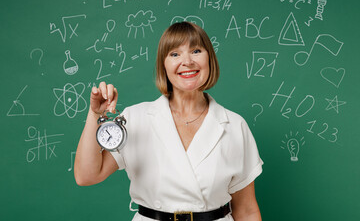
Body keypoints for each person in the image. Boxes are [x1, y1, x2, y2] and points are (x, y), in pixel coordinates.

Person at [74, 21, 264, 221]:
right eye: (175, 54)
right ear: (163, 65)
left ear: (210, 59)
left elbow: (246, 210)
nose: (187, 61)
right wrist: (96, 115)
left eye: (196, 51)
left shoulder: (234, 126)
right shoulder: (134, 118)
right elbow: (87, 176)